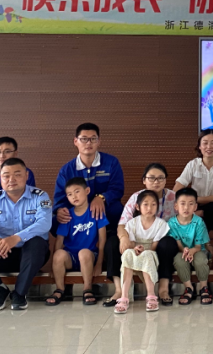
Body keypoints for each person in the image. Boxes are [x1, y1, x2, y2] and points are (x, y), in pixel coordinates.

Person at [0, 158, 52, 311]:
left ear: (26, 176)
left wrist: (16, 238)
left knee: (38, 242)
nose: (11, 179)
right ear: (0, 178)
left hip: (29, 255)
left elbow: (45, 223)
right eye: (6, 175)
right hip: (1, 253)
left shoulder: (39, 196)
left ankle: (19, 293)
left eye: (17, 174)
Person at [106, 164, 178, 307]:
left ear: (165, 180)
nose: (156, 182)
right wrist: (124, 239)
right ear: (144, 180)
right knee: (112, 242)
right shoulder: (136, 197)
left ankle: (163, 289)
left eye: (160, 178)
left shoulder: (173, 197)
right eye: (151, 178)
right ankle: (119, 290)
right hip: (135, 241)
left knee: (168, 242)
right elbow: (122, 224)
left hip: (159, 241)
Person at [54, 122, 124, 240]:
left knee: (117, 209)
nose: (88, 143)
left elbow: (117, 188)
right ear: (75, 141)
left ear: (99, 141)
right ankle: (71, 243)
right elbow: (60, 197)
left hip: (103, 209)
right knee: (57, 218)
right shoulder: (66, 170)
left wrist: (102, 198)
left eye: (93, 139)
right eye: (84, 139)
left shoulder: (111, 162)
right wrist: (60, 210)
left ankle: (112, 239)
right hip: (78, 211)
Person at [48, 177, 107, 306]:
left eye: (77, 191)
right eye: (69, 194)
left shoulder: (96, 212)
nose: (74, 196)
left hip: (89, 256)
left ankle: (87, 289)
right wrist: (53, 264)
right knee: (59, 254)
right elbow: (59, 241)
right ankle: (60, 289)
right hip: (71, 258)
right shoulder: (67, 215)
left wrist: (99, 263)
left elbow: (103, 239)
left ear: (87, 191)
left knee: (84, 253)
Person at [114, 190, 169, 314]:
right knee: (127, 253)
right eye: (146, 204)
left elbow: (154, 247)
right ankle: (124, 297)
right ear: (137, 207)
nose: (149, 208)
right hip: (136, 252)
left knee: (147, 255)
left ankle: (151, 296)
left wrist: (144, 250)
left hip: (151, 253)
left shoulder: (161, 224)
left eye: (153, 204)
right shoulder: (132, 223)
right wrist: (135, 249)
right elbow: (132, 243)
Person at [175, 130, 213, 244]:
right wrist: (191, 203)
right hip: (197, 206)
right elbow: (176, 190)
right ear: (199, 146)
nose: (209, 147)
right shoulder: (193, 164)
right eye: (205, 143)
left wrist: (193, 201)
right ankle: (208, 246)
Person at [168, 187, 212, 305]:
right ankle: (188, 288)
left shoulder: (198, 222)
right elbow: (177, 243)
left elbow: (198, 246)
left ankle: (203, 287)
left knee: (200, 260)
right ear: (176, 206)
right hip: (181, 251)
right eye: (182, 204)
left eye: (190, 204)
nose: (186, 208)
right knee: (179, 260)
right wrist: (185, 250)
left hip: (198, 250)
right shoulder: (171, 223)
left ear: (195, 207)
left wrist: (192, 251)